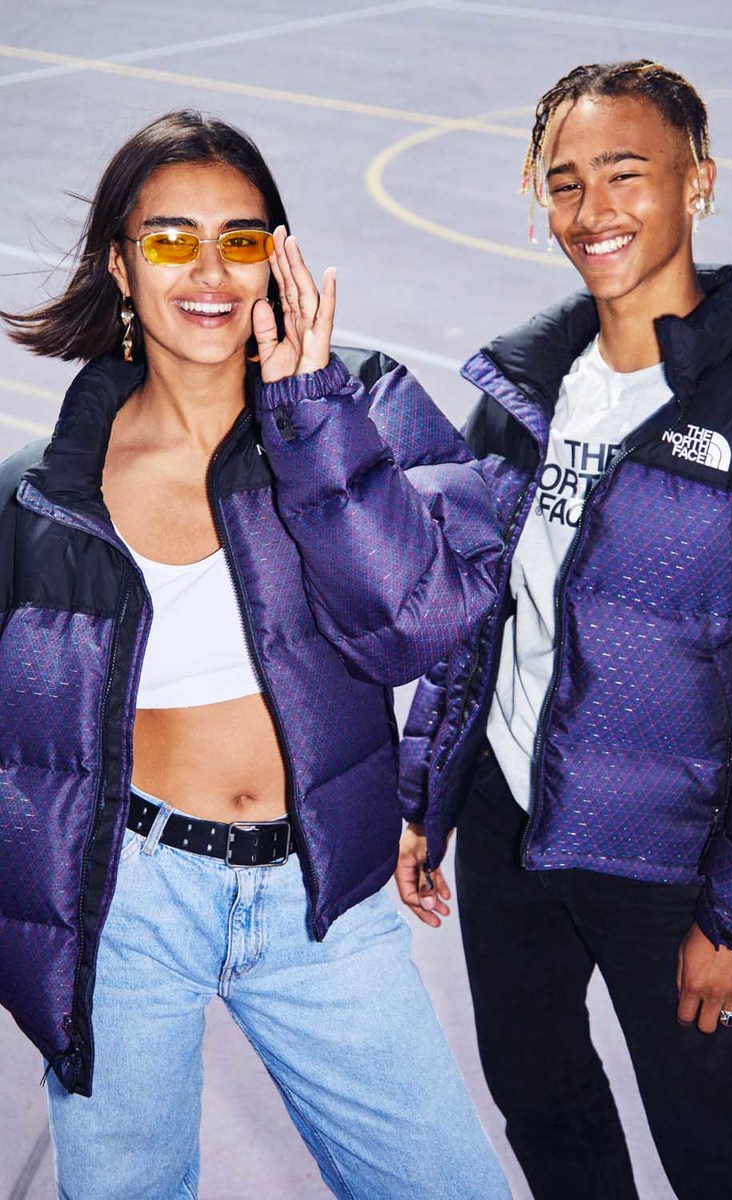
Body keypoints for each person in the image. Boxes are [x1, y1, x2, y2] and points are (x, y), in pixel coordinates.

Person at [0, 109, 511, 1200]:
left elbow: (426, 622)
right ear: (119, 265)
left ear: (276, 256)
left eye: (239, 238)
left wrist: (307, 413)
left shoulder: (363, 404)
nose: (208, 270)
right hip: (128, 904)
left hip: (318, 899)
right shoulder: (41, 494)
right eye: (169, 237)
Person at [396, 60, 732, 1200]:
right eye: (564, 181)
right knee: (541, 1100)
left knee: (714, 1149)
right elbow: (476, 617)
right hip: (507, 824)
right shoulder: (522, 388)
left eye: (625, 172)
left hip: (664, 859)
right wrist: (429, 793)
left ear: (697, 180)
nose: (591, 210)